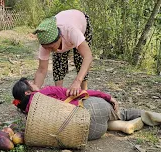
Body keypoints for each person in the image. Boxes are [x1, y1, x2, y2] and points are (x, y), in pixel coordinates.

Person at [12, 78, 161, 140]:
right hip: (90, 112)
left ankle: (122, 126)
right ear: (28, 92)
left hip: (86, 133)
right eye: (32, 83)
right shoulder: (45, 91)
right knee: (122, 112)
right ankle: (155, 116)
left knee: (105, 122)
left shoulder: (30, 118)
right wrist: (107, 96)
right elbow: (79, 93)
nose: (35, 83)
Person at [33, 9, 93, 96]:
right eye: (46, 48)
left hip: (80, 21)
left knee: (80, 60)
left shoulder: (71, 31)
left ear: (59, 37)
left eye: (51, 47)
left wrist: (77, 82)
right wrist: (35, 90)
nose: (49, 50)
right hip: (64, 23)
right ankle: (59, 93)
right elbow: (42, 70)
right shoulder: (46, 42)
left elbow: (88, 56)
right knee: (58, 64)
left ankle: (84, 92)